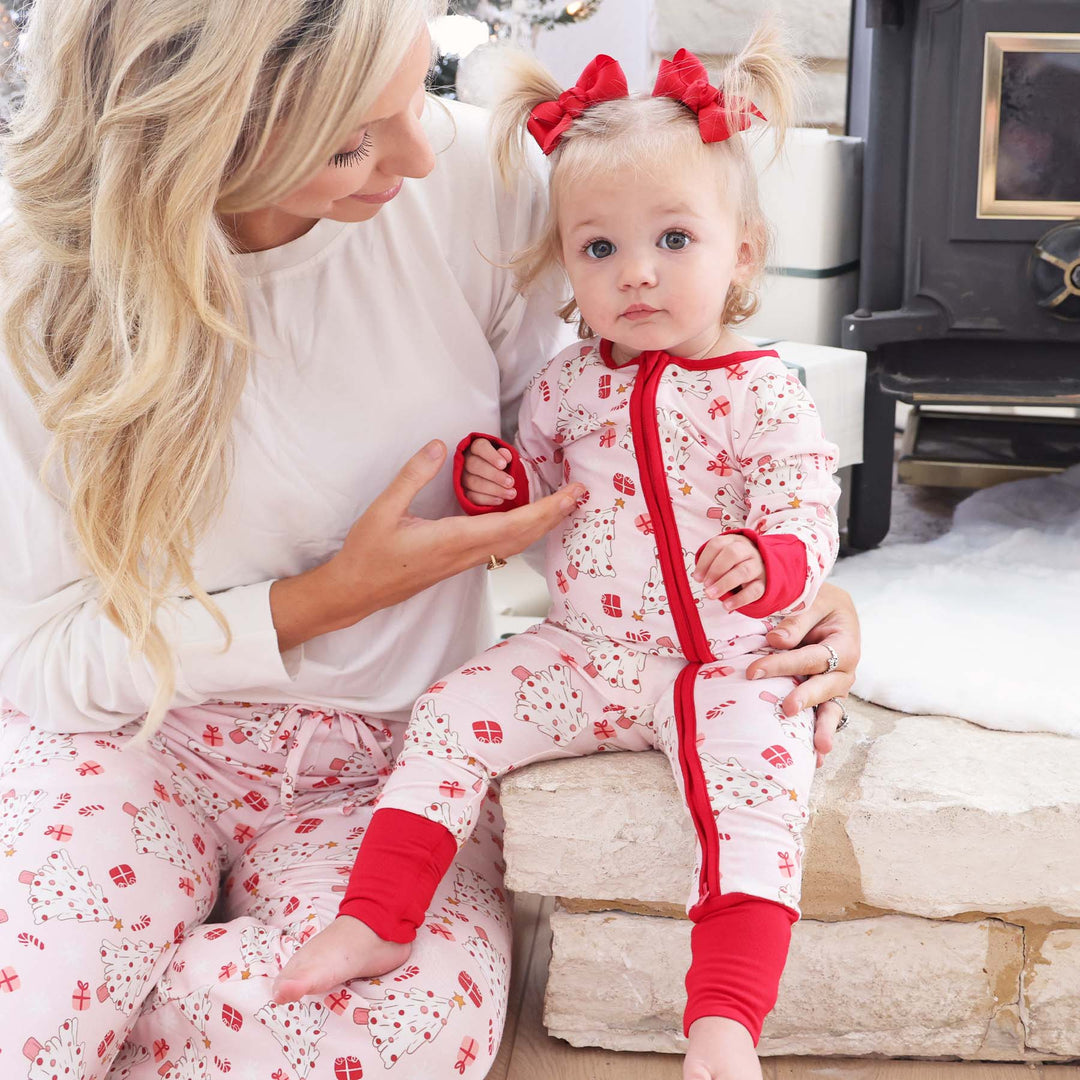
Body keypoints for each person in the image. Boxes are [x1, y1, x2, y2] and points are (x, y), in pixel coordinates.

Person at [0, 2, 858, 1077]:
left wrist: (807, 581)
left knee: (391, 1037)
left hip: (387, 760)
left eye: (421, 90)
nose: (419, 151)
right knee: (27, 1014)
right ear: (200, 140)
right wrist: (325, 599)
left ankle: (124, 989)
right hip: (130, 739)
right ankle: (104, 978)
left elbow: (631, 438)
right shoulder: (33, 281)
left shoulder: (471, 184)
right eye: (353, 137)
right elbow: (35, 658)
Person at [277, 30, 847, 1080]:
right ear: (565, 267)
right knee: (451, 714)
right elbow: (542, 490)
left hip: (729, 664)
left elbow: (809, 503)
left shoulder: (762, 390)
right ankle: (380, 916)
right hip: (584, 650)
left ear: (744, 254)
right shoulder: (567, 384)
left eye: (675, 240)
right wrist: (503, 478)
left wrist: (771, 560)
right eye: (600, 250)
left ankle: (724, 1020)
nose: (637, 273)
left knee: (760, 802)